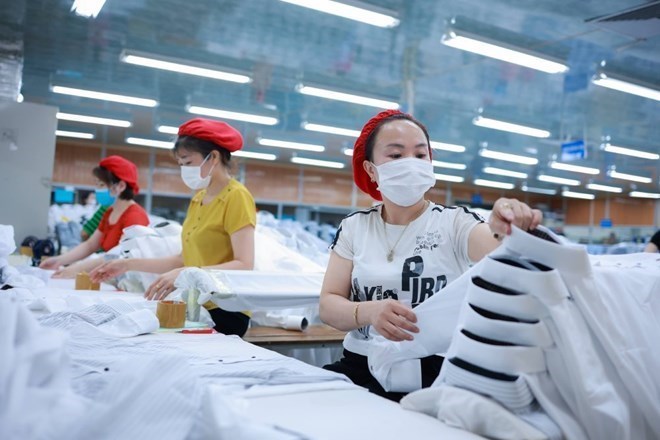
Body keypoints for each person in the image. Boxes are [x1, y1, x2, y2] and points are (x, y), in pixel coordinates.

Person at [319, 109, 542, 401]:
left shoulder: (453, 223)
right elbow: (329, 304)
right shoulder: (355, 227)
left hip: (435, 370)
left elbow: (499, 248)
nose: (411, 163)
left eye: (420, 154)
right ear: (371, 170)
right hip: (361, 365)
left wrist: (506, 225)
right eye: (396, 155)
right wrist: (369, 312)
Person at [90, 118, 256, 336]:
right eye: (181, 164)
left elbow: (244, 264)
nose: (184, 170)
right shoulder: (198, 199)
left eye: (188, 162)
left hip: (226, 310)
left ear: (214, 157)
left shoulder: (237, 196)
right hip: (196, 304)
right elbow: (182, 260)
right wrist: (127, 264)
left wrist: (186, 274)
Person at [40, 156, 149, 277]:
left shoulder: (135, 216)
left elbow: (119, 255)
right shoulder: (109, 212)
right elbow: (90, 245)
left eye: (101, 185)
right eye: (97, 185)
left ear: (121, 186)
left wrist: (75, 269)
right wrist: (59, 260)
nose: (97, 190)